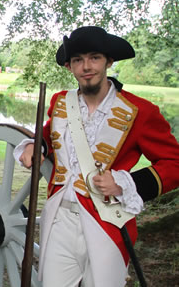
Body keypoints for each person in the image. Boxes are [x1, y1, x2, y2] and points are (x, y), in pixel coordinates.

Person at [15, 26, 179, 286]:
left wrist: (126, 183)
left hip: (107, 223)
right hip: (60, 219)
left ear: (109, 61)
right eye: (78, 60)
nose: (86, 66)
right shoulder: (60, 102)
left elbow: (174, 163)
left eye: (94, 57)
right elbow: (49, 137)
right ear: (69, 66)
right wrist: (35, 146)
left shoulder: (140, 111)